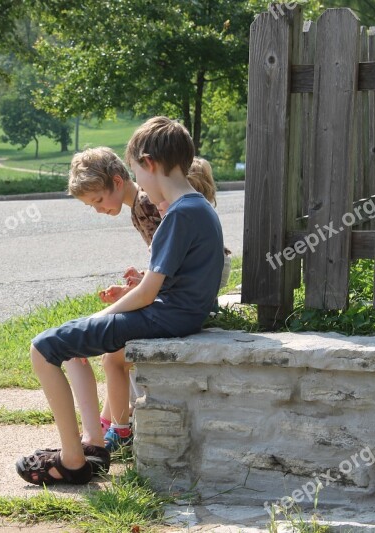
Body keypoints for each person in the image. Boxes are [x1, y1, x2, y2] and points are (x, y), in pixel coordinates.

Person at [15, 116, 225, 485]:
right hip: (177, 315)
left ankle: (74, 461)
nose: (139, 185)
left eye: (135, 172)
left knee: (43, 348)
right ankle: (89, 443)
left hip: (166, 317)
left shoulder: (179, 213)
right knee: (61, 342)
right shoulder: (196, 208)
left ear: (149, 164)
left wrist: (100, 317)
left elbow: (147, 292)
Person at [93, 156, 233, 451]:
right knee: (117, 354)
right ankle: (114, 423)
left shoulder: (150, 205)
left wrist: (139, 293)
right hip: (184, 291)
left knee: (115, 352)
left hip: (181, 301)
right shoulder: (146, 208)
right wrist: (144, 280)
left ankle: (116, 427)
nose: (158, 205)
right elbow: (168, 263)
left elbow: (175, 265)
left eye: (97, 200)